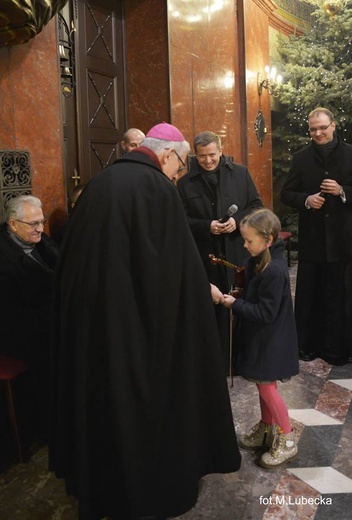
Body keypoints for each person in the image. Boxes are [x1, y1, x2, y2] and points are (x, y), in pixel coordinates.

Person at [49, 122, 241, 520]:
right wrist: (201, 291)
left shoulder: (100, 183)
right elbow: (174, 271)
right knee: (143, 410)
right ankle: (150, 487)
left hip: (94, 327)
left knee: (103, 410)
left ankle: (102, 486)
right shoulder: (157, 189)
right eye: (182, 164)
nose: (180, 173)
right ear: (168, 154)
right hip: (138, 331)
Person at [222, 208, 299, 468]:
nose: (244, 245)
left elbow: (266, 312)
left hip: (271, 340)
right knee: (261, 385)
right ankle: (267, 428)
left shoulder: (274, 271)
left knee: (267, 387)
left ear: (268, 239)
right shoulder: (257, 261)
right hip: (261, 338)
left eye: (248, 240)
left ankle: (287, 437)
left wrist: (233, 303)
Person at [177, 130, 263, 363]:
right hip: (206, 257)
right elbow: (179, 221)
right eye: (202, 156)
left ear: (221, 150)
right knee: (213, 309)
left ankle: (244, 358)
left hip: (238, 252)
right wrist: (207, 226)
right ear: (195, 155)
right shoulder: (185, 183)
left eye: (212, 154)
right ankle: (217, 361)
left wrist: (238, 221)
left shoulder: (241, 174)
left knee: (243, 303)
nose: (208, 160)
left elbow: (256, 206)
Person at [280, 107, 352, 365]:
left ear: (333, 125)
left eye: (323, 127)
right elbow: (286, 194)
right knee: (312, 296)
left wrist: (343, 191)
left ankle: (340, 349)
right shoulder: (301, 158)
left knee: (341, 296)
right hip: (313, 240)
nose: (318, 132)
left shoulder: (350, 154)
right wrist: (307, 200)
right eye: (313, 129)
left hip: (344, 241)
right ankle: (308, 347)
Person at [0, 195, 59, 440]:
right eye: (33, 224)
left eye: (41, 221)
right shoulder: (3, 258)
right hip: (20, 333)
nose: (40, 229)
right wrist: (55, 315)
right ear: (13, 225)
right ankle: (50, 426)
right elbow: (12, 316)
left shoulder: (39, 238)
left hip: (47, 318)